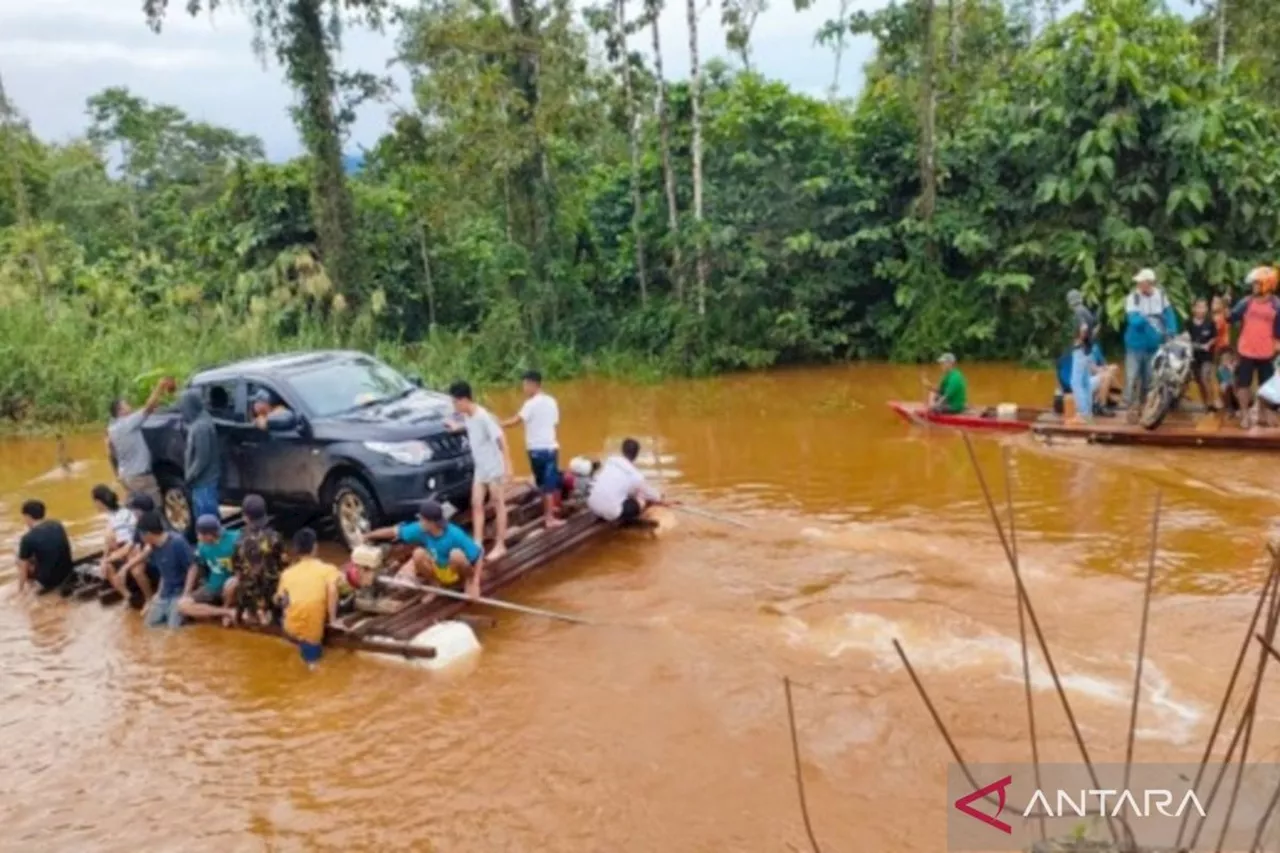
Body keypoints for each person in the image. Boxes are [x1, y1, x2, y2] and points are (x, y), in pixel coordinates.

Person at [365, 500, 485, 599]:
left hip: (454, 570)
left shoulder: (454, 534)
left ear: (431, 523)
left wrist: (476, 582)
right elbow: (393, 531)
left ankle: (468, 582)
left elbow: (478, 555)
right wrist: (369, 535)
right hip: (438, 567)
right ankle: (435, 585)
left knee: (456, 555)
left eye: (422, 519)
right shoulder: (421, 529)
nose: (420, 522)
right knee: (418, 554)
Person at [447, 380, 512, 560]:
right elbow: (470, 426)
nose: (454, 406)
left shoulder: (484, 416)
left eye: (454, 402)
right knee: (476, 503)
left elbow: (502, 440)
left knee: (498, 504)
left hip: (493, 467)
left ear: (464, 400)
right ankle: (477, 543)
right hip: (480, 468)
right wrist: (456, 427)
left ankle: (500, 545)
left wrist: (509, 467)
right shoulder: (468, 415)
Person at [502, 370, 565, 530]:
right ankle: (549, 517)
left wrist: (498, 424)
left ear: (533, 385)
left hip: (534, 451)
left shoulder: (530, 404)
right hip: (549, 449)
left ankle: (548, 514)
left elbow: (516, 421)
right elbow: (555, 423)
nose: (523, 388)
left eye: (525, 385)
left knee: (543, 483)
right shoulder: (552, 401)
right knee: (549, 485)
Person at [275, 527, 340, 669]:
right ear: (315, 547)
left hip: (289, 627)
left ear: (296, 550)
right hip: (311, 631)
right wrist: (333, 619)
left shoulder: (287, 573)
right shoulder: (328, 569)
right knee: (314, 665)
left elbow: (280, 599)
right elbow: (333, 589)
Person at [106, 376, 173, 506]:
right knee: (155, 508)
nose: (130, 406)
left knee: (138, 509)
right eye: (126, 405)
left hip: (126, 477)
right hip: (140, 477)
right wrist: (160, 387)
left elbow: (110, 452)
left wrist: (117, 474)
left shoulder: (111, 429)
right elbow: (148, 408)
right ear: (120, 411)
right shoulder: (128, 423)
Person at [1229, 266, 1280, 427]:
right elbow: (1231, 317)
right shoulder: (1246, 302)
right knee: (1243, 384)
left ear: (1267, 285)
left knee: (1266, 386)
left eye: (1257, 284)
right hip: (1246, 350)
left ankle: (1263, 413)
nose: (1254, 287)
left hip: (1267, 352)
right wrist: (1226, 307)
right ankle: (1245, 415)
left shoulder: (1276, 305)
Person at [1123, 268, 1178, 409]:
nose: (1139, 285)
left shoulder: (1161, 296)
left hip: (1154, 345)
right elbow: (1133, 320)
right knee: (1132, 376)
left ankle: (1145, 405)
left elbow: (1169, 315)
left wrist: (1171, 331)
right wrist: (1149, 317)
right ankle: (1129, 405)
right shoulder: (1133, 297)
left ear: (1149, 283)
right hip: (1135, 345)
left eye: (1142, 282)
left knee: (1149, 378)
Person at [135, 510, 197, 629]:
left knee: (173, 628)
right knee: (149, 626)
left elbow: (192, 567)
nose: (140, 538)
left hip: (179, 591)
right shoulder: (154, 547)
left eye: (140, 534)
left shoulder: (177, 542)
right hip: (165, 592)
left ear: (147, 534)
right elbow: (164, 572)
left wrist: (186, 594)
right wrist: (157, 594)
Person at [229, 494, 284, 626]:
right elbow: (283, 565)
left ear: (245, 517)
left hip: (248, 595)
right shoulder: (275, 537)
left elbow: (236, 569)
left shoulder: (238, 540)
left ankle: (252, 613)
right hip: (272, 592)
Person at [177, 514, 240, 624]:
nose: (198, 537)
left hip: (232, 588)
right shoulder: (201, 546)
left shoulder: (235, 539)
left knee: (231, 584)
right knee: (182, 605)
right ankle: (226, 612)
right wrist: (186, 592)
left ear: (209, 535)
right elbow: (195, 566)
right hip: (212, 587)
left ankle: (228, 607)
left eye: (199, 534)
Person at [587, 438, 666, 524]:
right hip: (611, 512)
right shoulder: (636, 475)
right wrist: (660, 498)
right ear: (637, 454)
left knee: (629, 493)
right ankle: (627, 521)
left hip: (592, 504)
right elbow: (649, 494)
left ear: (622, 450)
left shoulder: (609, 462)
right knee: (641, 499)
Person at [16, 500, 73, 594]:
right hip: (67, 572)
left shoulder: (27, 538)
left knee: (19, 561)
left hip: (48, 581)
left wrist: (20, 591)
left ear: (27, 516)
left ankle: (30, 587)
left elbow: (23, 568)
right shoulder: (57, 524)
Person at [179, 389, 221, 519]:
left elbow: (202, 458)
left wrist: (190, 476)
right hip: (203, 480)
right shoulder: (200, 420)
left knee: (207, 517)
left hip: (204, 480)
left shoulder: (201, 427)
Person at [90, 484, 135, 581]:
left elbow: (126, 544)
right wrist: (105, 557)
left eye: (94, 502)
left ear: (99, 502)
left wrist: (107, 559)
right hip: (123, 549)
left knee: (106, 566)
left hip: (130, 550)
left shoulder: (119, 517)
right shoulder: (112, 515)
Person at [1187, 297, 1218, 410]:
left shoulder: (1210, 322)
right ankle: (1205, 403)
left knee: (1205, 377)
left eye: (1204, 307)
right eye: (1199, 307)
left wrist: (1209, 344)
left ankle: (1211, 402)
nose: (1201, 309)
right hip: (1193, 355)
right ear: (1193, 309)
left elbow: (1214, 337)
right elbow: (1185, 336)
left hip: (1207, 355)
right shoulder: (1188, 322)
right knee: (1199, 380)